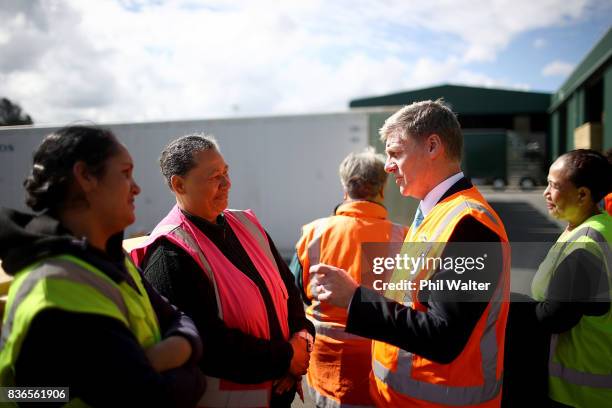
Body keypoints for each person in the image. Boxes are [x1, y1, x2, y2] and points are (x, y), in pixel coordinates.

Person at [310, 99, 510, 407]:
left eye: (395, 153)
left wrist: (354, 299)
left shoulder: (469, 224)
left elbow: (443, 337)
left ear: (432, 146)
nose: (388, 166)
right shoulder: (435, 214)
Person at [0, 126, 205, 407]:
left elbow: (179, 319)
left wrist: (173, 349)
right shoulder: (57, 289)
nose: (136, 188)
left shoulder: (107, 259)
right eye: (125, 173)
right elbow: (152, 397)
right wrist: (192, 370)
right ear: (85, 176)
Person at [130, 134, 315, 408]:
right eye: (214, 176)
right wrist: (285, 358)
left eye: (226, 172)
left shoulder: (247, 224)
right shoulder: (170, 252)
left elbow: (288, 289)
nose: (227, 183)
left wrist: (301, 337)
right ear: (179, 184)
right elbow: (209, 345)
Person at [290, 147, 407, 407]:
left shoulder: (313, 233)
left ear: (345, 189)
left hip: (323, 367)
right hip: (380, 367)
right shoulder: (404, 238)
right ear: (382, 189)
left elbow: (294, 294)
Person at [531, 149, 612, 408]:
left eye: (554, 186)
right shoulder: (595, 226)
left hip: (581, 394)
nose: (545, 193)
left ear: (583, 194)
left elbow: (554, 316)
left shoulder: (586, 244)